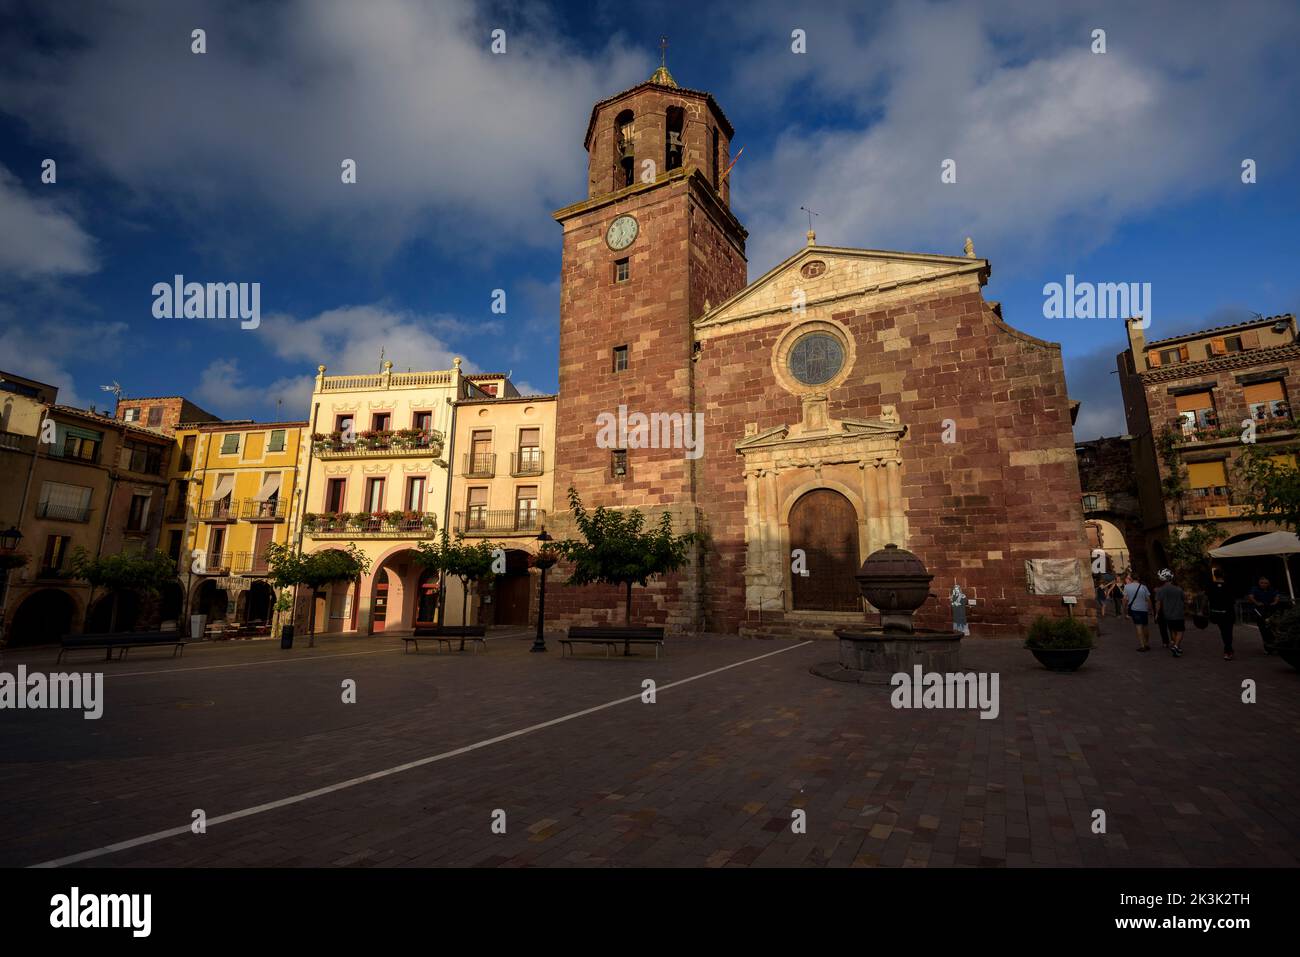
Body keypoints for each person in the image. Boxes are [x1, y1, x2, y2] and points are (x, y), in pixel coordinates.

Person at [1154, 569, 1186, 657]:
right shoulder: (1178, 589)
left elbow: (1158, 603)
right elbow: (1184, 599)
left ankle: (1176, 646)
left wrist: (1157, 613)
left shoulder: (1160, 590)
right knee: (1180, 631)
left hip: (1167, 614)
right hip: (1178, 613)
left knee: (1172, 630)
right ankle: (1176, 646)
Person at [1206, 567, 1235, 661]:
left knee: (1223, 631)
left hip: (1216, 612)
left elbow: (1207, 598)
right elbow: (1232, 600)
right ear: (1223, 575)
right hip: (1228, 612)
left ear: (1214, 575)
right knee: (1228, 631)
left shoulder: (1210, 586)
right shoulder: (1229, 586)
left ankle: (1228, 648)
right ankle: (1228, 650)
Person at [1122, 572, 1154, 652]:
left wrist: (1124, 609)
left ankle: (1142, 645)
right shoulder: (1143, 587)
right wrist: (1151, 609)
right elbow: (1148, 599)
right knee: (1145, 626)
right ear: (1138, 578)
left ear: (1131, 579)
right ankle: (1147, 643)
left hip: (1134, 609)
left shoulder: (1127, 587)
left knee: (1138, 626)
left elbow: (1125, 599)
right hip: (1144, 609)